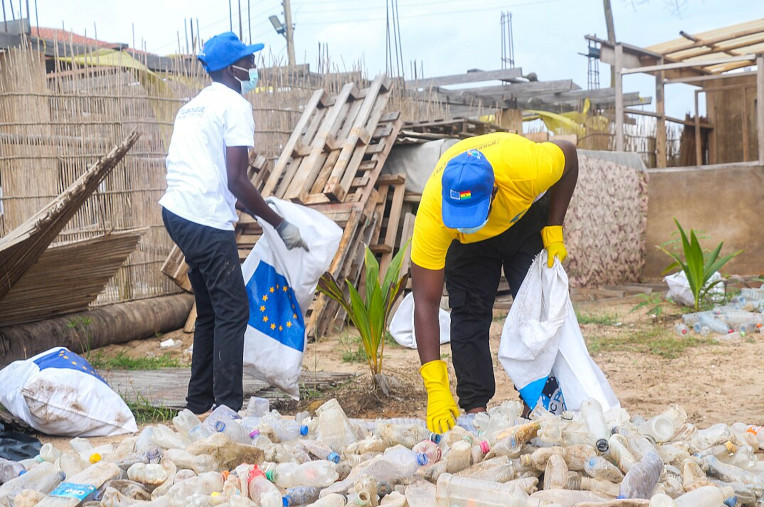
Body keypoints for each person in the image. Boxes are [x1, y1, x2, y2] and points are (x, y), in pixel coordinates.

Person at [159, 32, 308, 415]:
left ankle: (198, 404)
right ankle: (227, 408)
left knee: (211, 309)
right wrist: (279, 224)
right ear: (231, 68)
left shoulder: (191, 108)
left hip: (177, 213)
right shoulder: (235, 105)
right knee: (234, 309)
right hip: (203, 218)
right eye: (248, 60)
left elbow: (229, 186)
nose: (254, 66)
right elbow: (237, 180)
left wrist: (261, 210)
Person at [411, 132, 578, 433]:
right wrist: (435, 386)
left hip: (522, 220)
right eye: (457, 216)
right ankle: (476, 410)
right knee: (468, 312)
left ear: (494, 191)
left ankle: (539, 403)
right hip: (467, 247)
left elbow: (569, 156)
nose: (464, 223)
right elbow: (425, 301)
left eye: (470, 215)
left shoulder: (527, 168)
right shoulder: (434, 213)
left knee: (537, 311)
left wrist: (554, 228)